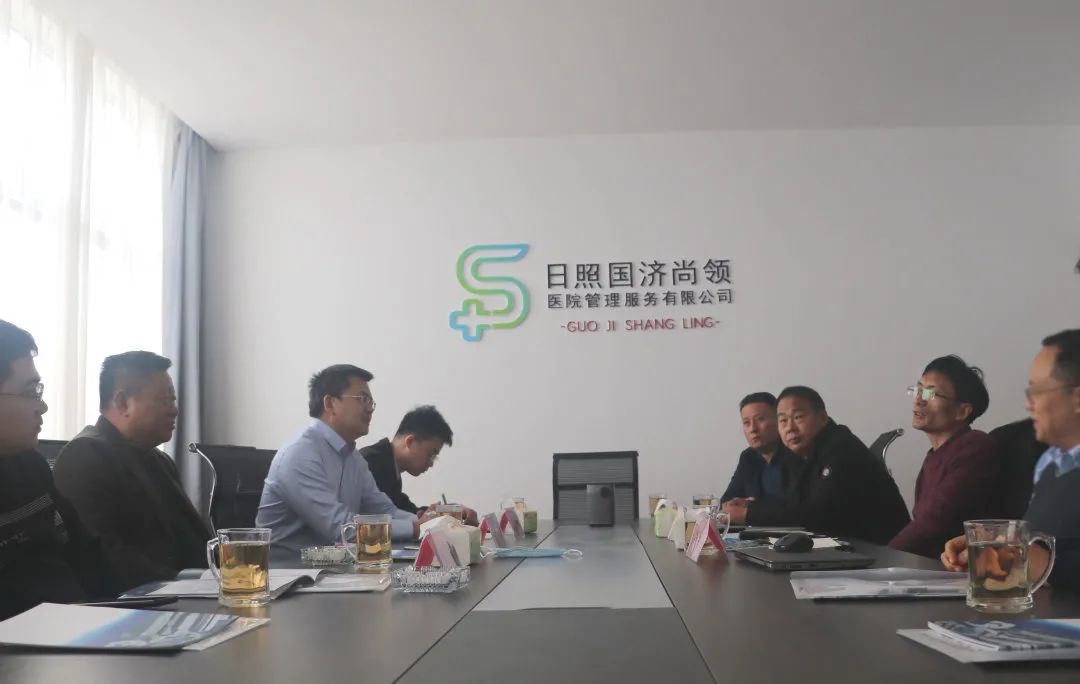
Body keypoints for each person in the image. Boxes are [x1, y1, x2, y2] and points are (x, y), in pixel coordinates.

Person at [54, 352, 211, 591]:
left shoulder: (159, 460)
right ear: (122, 403)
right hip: (134, 600)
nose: (174, 411)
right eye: (164, 400)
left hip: (183, 593)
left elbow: (193, 540)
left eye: (173, 400)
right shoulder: (85, 455)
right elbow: (102, 555)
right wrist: (181, 585)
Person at [943, 330, 1080, 591]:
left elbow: (1041, 559)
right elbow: (1046, 542)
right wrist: (990, 542)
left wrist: (1040, 563)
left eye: (1037, 391)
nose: (1029, 405)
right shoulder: (1050, 463)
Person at [0, 320, 118, 619]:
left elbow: (91, 560)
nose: (42, 407)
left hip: (80, 629)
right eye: (30, 392)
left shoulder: (30, 467)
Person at [257, 365, 430, 562]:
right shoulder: (299, 454)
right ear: (330, 403)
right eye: (362, 399)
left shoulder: (353, 458)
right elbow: (341, 528)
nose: (370, 409)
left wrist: (426, 522)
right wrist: (415, 528)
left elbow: (383, 510)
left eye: (371, 402)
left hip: (333, 567)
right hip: (287, 572)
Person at [723, 386, 910, 544]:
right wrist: (752, 506)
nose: (790, 428)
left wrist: (749, 514)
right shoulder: (806, 453)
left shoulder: (841, 448)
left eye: (798, 417)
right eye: (783, 421)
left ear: (822, 418)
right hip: (846, 549)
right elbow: (796, 504)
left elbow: (817, 515)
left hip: (883, 553)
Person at [888, 356, 1000, 558]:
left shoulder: (975, 447)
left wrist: (886, 556)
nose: (918, 399)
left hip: (959, 567)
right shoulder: (934, 456)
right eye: (918, 389)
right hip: (931, 564)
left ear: (962, 411)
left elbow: (932, 521)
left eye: (930, 393)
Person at [361, 405, 478, 524]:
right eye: (431, 454)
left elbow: (411, 512)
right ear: (410, 442)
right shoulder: (371, 463)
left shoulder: (389, 467)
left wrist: (454, 511)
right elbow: (378, 522)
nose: (431, 463)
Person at [720, 392, 794, 503]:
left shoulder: (797, 453)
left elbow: (795, 506)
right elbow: (727, 501)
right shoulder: (748, 457)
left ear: (779, 420)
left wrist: (753, 508)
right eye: (746, 423)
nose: (753, 429)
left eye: (760, 419)